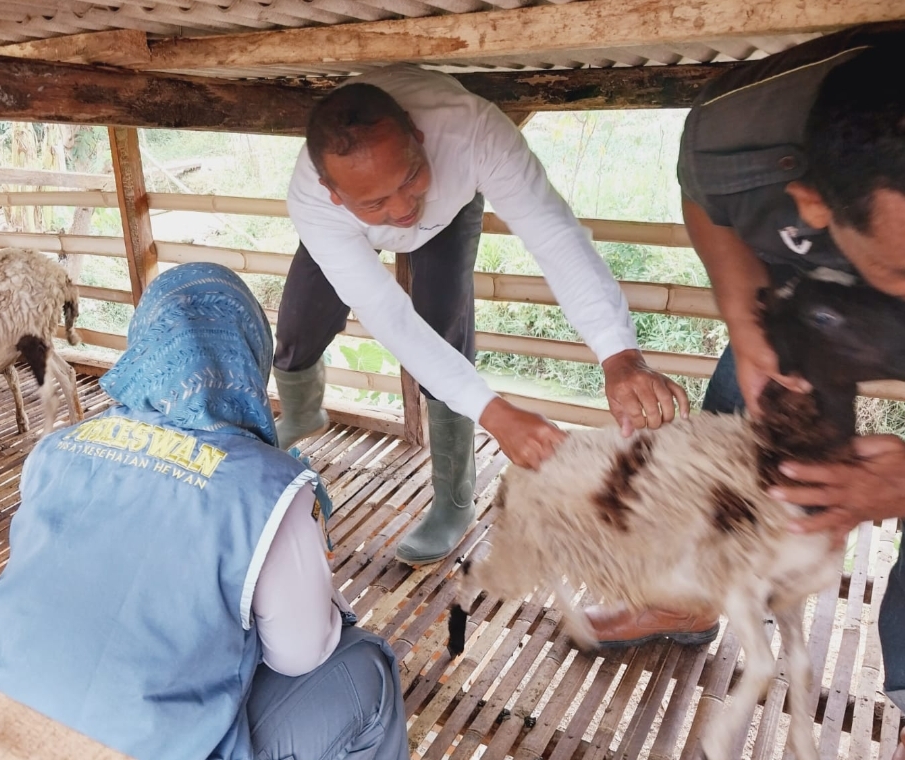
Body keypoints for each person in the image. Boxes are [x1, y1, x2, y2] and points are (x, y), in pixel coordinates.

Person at [591, 23, 905, 754]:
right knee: (760, 382)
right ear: (814, 202)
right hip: (815, 291)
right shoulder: (735, 132)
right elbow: (706, 197)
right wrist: (741, 310)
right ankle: (697, 589)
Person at [0, 263, 410, 760]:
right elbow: (302, 653)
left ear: (146, 348)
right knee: (365, 670)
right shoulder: (265, 486)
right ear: (248, 356)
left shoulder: (58, 448)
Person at [275, 64, 689, 566]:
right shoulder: (313, 201)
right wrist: (497, 413)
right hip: (347, 233)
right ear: (334, 192)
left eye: (410, 176)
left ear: (417, 132)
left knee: (444, 325)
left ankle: (454, 499)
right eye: (377, 200)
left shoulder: (474, 131)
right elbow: (390, 317)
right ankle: (299, 414)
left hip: (450, 212)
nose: (405, 206)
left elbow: (553, 236)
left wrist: (618, 352)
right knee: (298, 326)